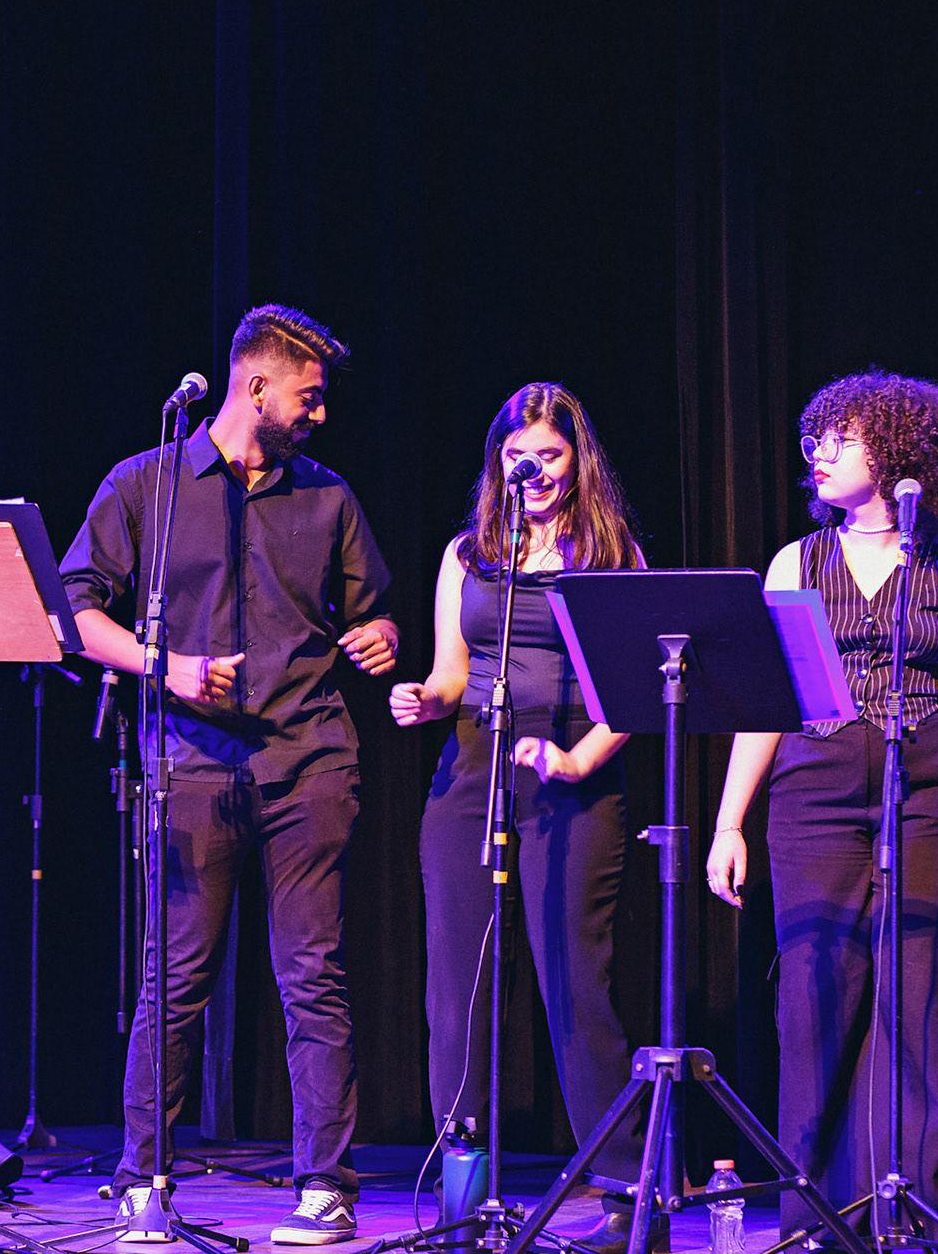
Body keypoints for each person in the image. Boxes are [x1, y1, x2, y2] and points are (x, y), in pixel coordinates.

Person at [60, 305, 398, 1245]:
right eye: (308, 397)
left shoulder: (328, 497)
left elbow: (372, 613)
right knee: (173, 981)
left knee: (312, 976)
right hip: (190, 765)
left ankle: (324, 1186)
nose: (320, 415)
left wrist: (379, 636)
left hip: (307, 761)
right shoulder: (148, 484)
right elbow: (75, 612)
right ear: (256, 388)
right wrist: (162, 667)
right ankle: (143, 1182)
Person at [704, 370, 938, 1247]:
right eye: (816, 438)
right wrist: (730, 822)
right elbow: (767, 702)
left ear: (894, 453)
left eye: (840, 440)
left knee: (923, 1001)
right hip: (815, 793)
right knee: (817, 998)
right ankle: (817, 1219)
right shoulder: (796, 563)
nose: (819, 453)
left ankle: (919, 1214)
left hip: (930, 793)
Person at [389, 383, 648, 1253]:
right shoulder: (471, 554)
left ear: (578, 461)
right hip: (472, 773)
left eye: (548, 454)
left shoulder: (610, 555)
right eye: (516, 455)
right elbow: (452, 670)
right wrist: (426, 700)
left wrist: (576, 760)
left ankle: (625, 1191)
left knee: (575, 984)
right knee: (455, 989)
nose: (531, 470)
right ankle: (464, 1194)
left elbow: (637, 691)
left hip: (570, 778)